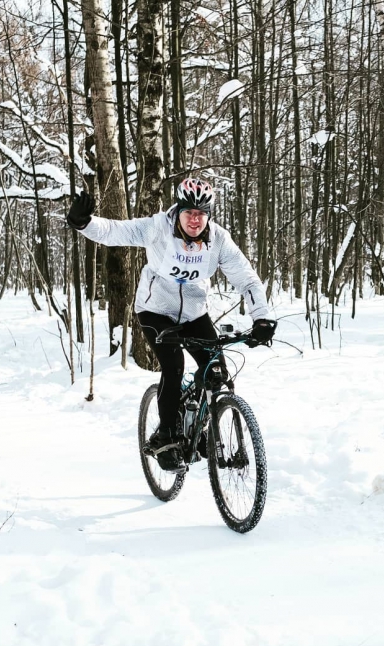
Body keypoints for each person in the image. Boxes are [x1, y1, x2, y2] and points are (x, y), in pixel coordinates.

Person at [67, 177, 276, 471]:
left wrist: (262, 316)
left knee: (216, 371)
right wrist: (83, 223)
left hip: (194, 313)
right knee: (173, 366)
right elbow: (116, 231)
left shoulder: (218, 240)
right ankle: (166, 437)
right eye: (189, 212)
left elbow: (246, 278)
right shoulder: (157, 228)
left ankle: (200, 428)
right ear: (177, 210)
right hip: (154, 311)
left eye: (202, 213)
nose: (195, 219)